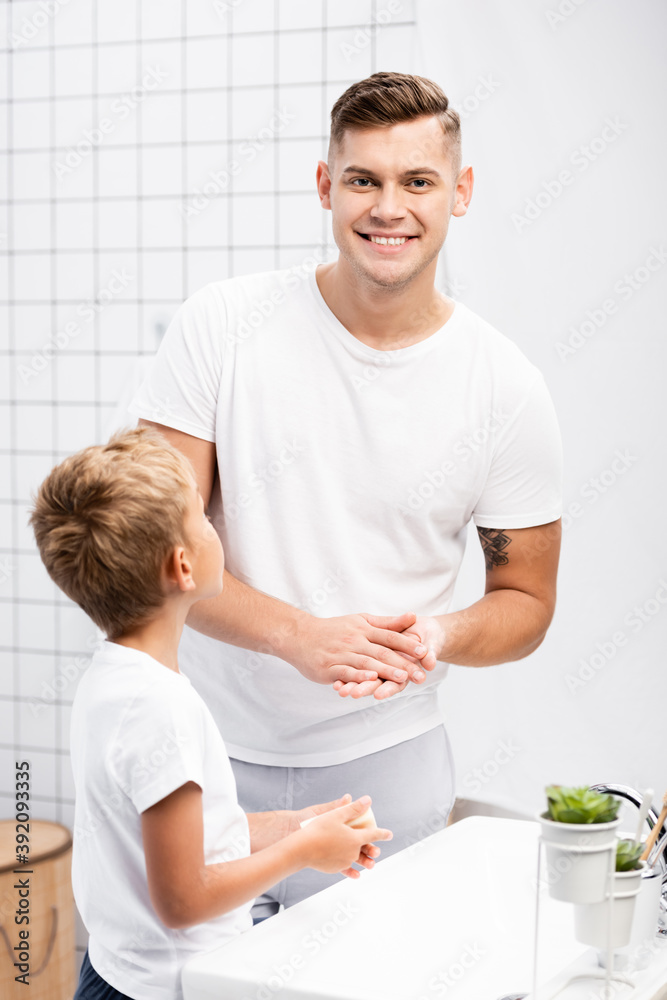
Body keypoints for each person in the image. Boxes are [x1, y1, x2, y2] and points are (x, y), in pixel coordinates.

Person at [129, 71, 563, 919]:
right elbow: (155, 551)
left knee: (374, 973)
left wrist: (437, 634)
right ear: (326, 185)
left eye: (417, 181)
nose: (388, 208)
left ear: (460, 192)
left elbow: (527, 602)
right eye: (364, 179)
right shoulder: (221, 326)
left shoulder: (505, 388)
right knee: (186, 976)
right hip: (205, 754)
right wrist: (298, 635)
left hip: (388, 772)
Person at [29, 427, 391, 1000]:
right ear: (182, 566)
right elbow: (184, 899)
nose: (214, 526)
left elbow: (179, 842)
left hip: (116, 973)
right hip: (168, 988)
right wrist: (304, 852)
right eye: (202, 517)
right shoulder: (161, 708)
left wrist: (293, 826)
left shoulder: (113, 677)